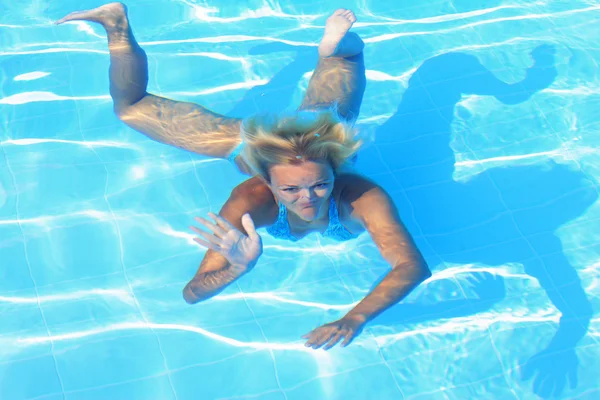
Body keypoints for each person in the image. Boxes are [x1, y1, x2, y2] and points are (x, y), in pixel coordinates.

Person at [56, 3, 432, 350]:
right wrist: (239, 266)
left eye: (321, 184)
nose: (309, 198)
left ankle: (330, 49)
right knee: (130, 108)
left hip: (320, 131)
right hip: (258, 145)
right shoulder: (250, 200)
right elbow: (192, 293)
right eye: (290, 189)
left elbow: (412, 265)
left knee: (346, 56)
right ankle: (116, 23)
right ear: (264, 181)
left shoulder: (362, 196)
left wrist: (355, 318)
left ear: (336, 172)